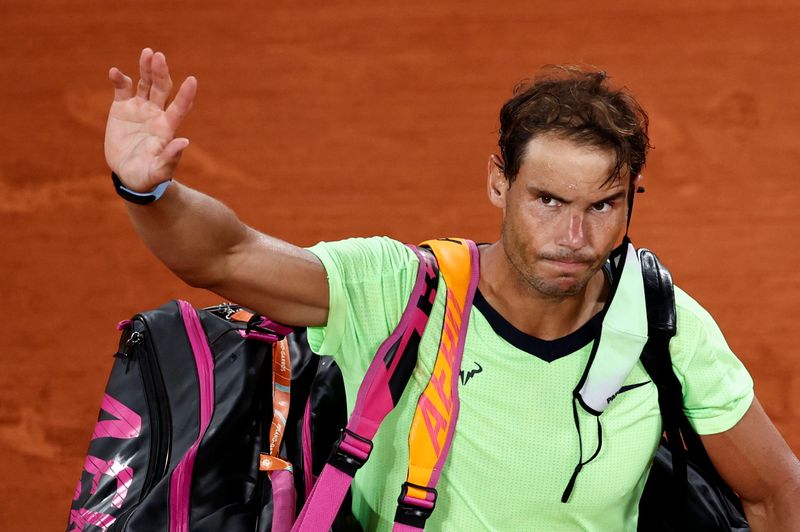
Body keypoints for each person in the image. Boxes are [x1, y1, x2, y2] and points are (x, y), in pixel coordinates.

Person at [104, 48, 800, 531]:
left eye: (603, 206)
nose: (574, 238)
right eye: (549, 201)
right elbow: (226, 255)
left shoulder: (663, 322)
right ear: (500, 181)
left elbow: (775, 493)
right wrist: (148, 190)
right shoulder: (399, 288)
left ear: (630, 202)